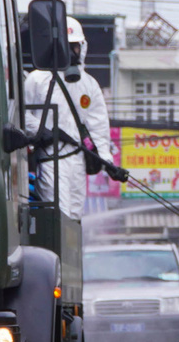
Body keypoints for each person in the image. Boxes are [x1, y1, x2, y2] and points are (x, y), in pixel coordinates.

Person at [23, 15, 116, 217]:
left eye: (74, 46)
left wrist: (107, 160)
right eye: (66, 46)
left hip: (78, 159)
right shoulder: (37, 79)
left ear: (82, 47)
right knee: (58, 214)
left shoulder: (89, 84)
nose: (71, 52)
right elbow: (20, 113)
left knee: (74, 216)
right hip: (50, 158)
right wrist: (42, 131)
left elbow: (98, 125)